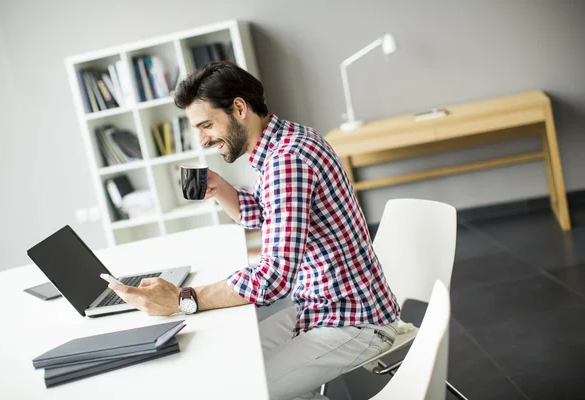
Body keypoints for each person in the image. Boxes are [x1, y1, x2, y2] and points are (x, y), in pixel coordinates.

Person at [109, 61, 400, 400]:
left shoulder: (285, 162)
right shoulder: (289, 139)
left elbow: (273, 278)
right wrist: (222, 191)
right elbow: (274, 214)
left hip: (353, 322)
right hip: (322, 309)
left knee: (242, 389)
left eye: (206, 125)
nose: (202, 139)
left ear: (239, 108)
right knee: (229, 362)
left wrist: (182, 299)